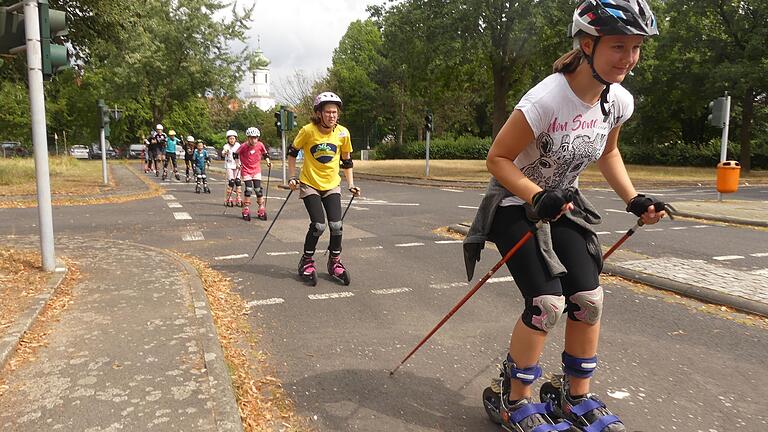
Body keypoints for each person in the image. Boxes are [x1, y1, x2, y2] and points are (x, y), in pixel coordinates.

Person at [463, 1, 664, 431]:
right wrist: (537, 196)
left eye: (636, 47)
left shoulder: (617, 101)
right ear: (587, 46)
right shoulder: (546, 100)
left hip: (562, 205)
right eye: (618, 46)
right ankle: (513, 399)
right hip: (515, 205)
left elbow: (608, 152)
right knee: (546, 303)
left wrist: (633, 199)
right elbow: (497, 159)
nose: (628, 58)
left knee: (589, 300)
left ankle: (575, 396)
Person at [287, 92, 360, 286]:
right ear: (319, 113)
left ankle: (335, 262)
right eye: (328, 112)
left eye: (335, 112)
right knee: (319, 225)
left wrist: (351, 184)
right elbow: (292, 153)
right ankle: (306, 261)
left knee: (336, 225)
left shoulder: (343, 133)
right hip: (310, 184)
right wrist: (292, 177)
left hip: (332, 185)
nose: (332, 116)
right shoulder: (308, 130)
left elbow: (347, 160)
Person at [235, 127, 270, 221]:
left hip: (256, 170)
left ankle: (261, 208)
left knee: (258, 189)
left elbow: (265, 154)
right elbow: (236, 154)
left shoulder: (260, 145)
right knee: (249, 189)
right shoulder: (243, 146)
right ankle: (246, 208)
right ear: (248, 138)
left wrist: (268, 161)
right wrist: (237, 163)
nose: (254, 140)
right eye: (251, 138)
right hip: (246, 170)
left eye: (255, 138)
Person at [221, 130, 243, 207]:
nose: (232, 140)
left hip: (237, 165)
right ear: (228, 139)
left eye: (233, 138)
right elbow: (223, 154)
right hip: (229, 165)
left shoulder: (238, 145)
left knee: (238, 181)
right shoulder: (226, 146)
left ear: (235, 139)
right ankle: (229, 197)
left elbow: (241, 153)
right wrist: (225, 153)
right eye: (230, 138)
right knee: (231, 181)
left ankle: (238, 198)